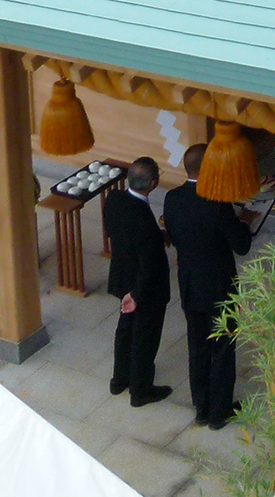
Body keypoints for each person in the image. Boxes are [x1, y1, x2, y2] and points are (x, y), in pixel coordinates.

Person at [162, 141, 254, 430]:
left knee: (197, 345)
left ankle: (201, 407)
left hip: (190, 283)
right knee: (223, 348)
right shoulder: (218, 205)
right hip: (219, 288)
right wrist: (245, 224)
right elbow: (240, 246)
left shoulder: (172, 198)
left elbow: (175, 237)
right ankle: (220, 411)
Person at [102, 156, 171, 406]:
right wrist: (137, 296)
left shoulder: (114, 200)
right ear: (154, 183)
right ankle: (141, 390)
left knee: (125, 330)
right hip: (144, 290)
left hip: (123, 276)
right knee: (145, 337)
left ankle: (119, 379)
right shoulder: (142, 220)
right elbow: (150, 265)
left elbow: (121, 234)